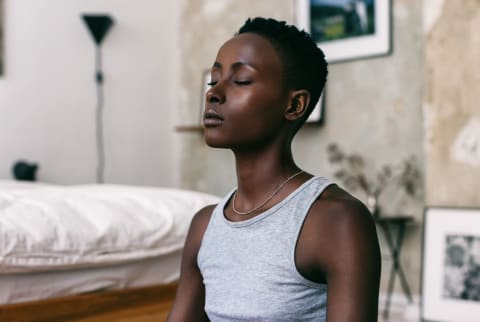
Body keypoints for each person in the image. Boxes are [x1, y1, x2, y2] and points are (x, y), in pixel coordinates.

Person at [167, 17, 381, 322]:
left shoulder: (336, 221)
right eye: (214, 80)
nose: (213, 93)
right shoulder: (204, 226)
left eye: (241, 81)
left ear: (294, 105)